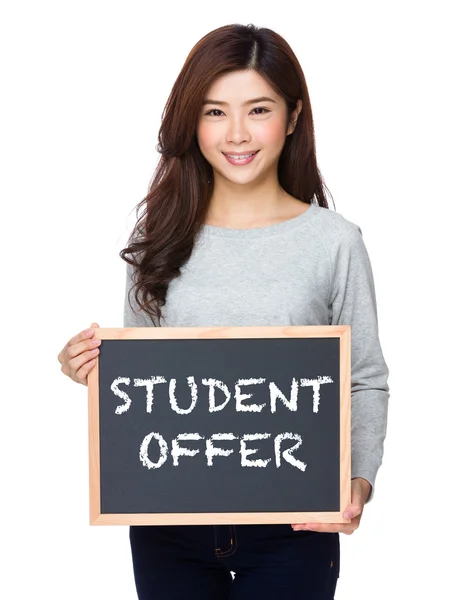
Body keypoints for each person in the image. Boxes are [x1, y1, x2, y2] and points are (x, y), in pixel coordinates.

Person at [58, 22, 390, 600]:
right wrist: (89, 367)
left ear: (292, 116)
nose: (237, 133)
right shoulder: (157, 239)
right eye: (214, 112)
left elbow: (363, 378)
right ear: (192, 121)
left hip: (295, 523)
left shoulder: (334, 242)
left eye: (257, 109)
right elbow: (146, 387)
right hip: (168, 526)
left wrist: (358, 482)